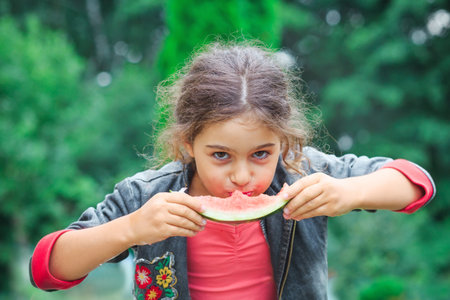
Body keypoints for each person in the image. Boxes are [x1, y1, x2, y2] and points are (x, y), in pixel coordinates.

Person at [29, 42, 435, 300]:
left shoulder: (302, 173)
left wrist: (351, 193)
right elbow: (46, 269)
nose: (243, 178)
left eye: (261, 154)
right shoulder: (147, 197)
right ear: (188, 144)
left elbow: (416, 183)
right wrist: (132, 229)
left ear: (284, 143)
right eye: (221, 156)